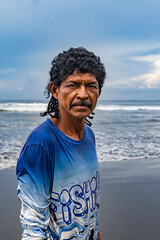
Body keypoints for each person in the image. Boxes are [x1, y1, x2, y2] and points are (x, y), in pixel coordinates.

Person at [16, 47, 106, 240]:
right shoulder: (41, 144)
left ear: (99, 91)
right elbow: (33, 226)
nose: (83, 94)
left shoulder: (89, 135)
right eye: (73, 85)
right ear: (55, 90)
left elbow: (90, 205)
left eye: (91, 85)